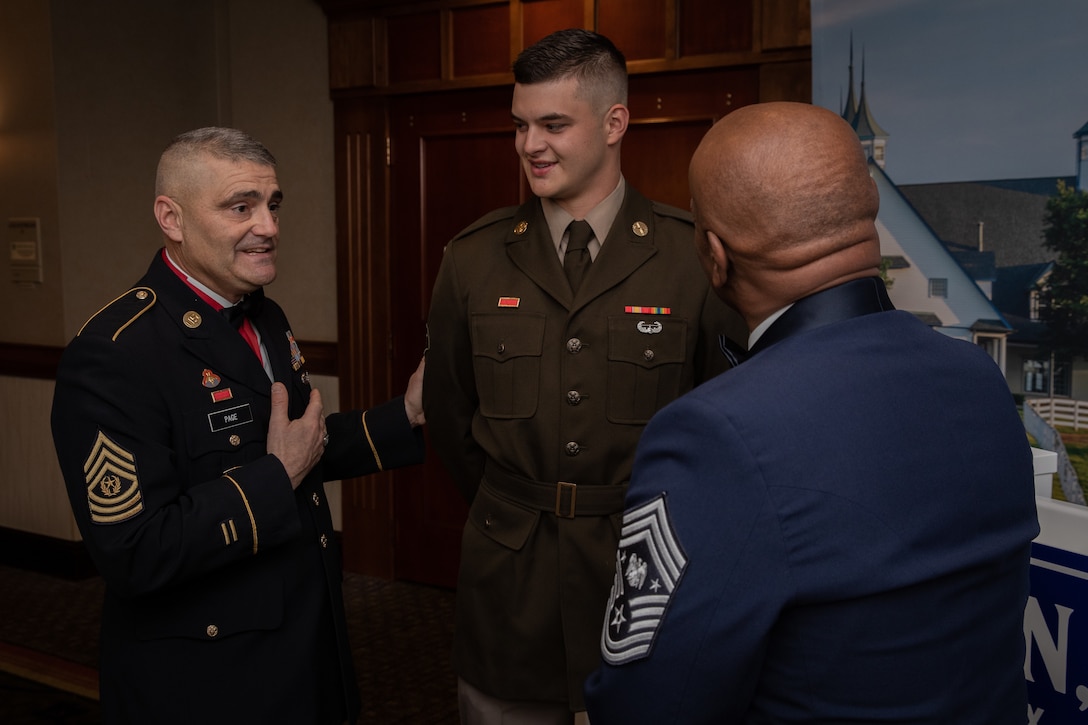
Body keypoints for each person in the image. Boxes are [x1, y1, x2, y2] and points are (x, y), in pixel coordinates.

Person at [583, 102, 1041, 723]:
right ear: (866, 221)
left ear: (715, 255)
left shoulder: (717, 434)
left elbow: (650, 704)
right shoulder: (978, 380)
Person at [50, 126, 426, 725]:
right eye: (240, 207)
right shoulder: (117, 353)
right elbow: (136, 554)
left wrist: (405, 415)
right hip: (210, 682)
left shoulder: (262, 315)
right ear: (171, 218)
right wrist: (277, 477)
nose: (270, 227)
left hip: (303, 650)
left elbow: (301, 445)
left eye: (272, 205)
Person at [423, 28, 745, 723]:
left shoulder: (688, 259)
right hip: (510, 588)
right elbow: (452, 422)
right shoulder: (473, 259)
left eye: (553, 124)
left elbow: (723, 435)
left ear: (614, 122)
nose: (529, 145)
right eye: (520, 125)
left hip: (642, 580)